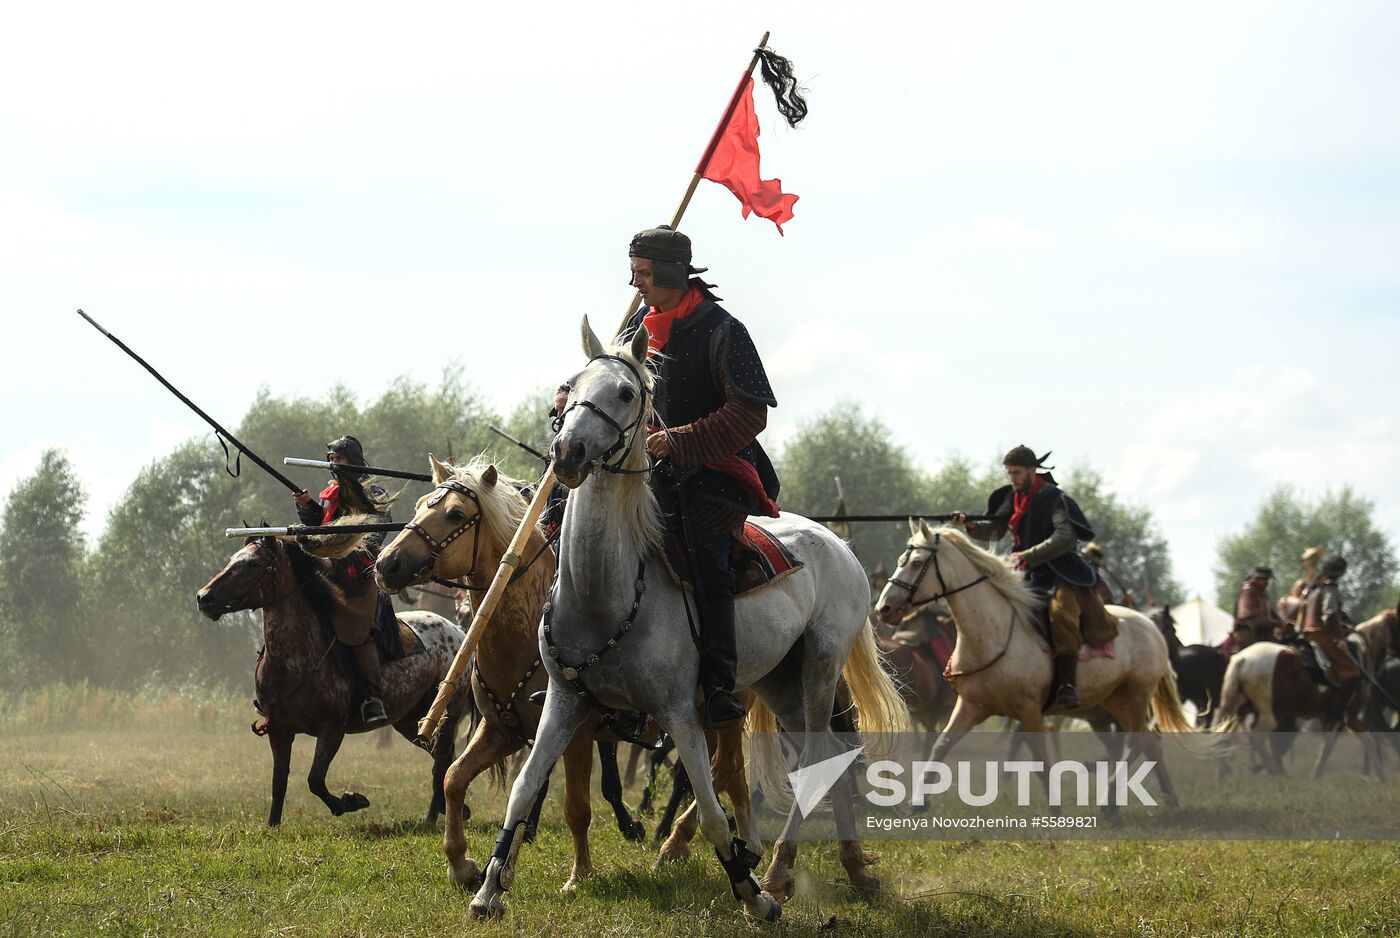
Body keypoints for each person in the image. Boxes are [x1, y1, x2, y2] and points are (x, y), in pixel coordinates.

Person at [616, 224, 781, 728]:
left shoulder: (723, 330)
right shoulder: (633, 330)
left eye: (642, 273)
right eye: (633, 273)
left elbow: (751, 413)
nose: (635, 284)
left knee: (706, 555)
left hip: (711, 477)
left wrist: (682, 441)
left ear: (668, 272)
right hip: (644, 475)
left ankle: (718, 683)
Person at [951, 445, 1112, 709]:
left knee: (1062, 617)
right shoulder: (1011, 497)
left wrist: (1029, 554)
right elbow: (995, 530)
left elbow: (1064, 537)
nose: (1012, 478)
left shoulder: (1055, 500)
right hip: (1026, 572)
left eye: (1016, 473)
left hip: (1061, 571)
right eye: (1009, 473)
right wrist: (969, 524)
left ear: (1031, 470)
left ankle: (1067, 685)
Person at [292, 435, 395, 728]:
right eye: (331, 459)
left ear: (352, 460)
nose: (333, 464)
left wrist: (345, 554)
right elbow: (322, 530)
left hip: (358, 577)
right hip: (329, 571)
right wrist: (307, 507)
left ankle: (372, 697)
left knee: (357, 632)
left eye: (339, 459)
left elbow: (376, 532)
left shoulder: (371, 492)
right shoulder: (332, 493)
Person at [1301, 555, 1361, 718]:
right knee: (1352, 673)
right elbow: (1329, 615)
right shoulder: (1330, 587)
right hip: (1321, 635)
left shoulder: (1314, 588)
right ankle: (1336, 714)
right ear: (1340, 572)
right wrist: (1340, 638)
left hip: (1307, 634)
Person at [1232, 564, 1284, 647]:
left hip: (1260, 635)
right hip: (1248, 636)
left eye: (1267, 579)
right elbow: (1253, 618)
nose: (1267, 582)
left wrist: (1280, 622)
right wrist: (1278, 623)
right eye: (1264, 579)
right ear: (1255, 578)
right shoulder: (1249, 592)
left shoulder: (1260, 593)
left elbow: (1269, 615)